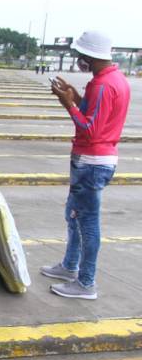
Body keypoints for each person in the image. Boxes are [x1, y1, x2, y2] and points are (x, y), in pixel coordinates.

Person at [41, 31, 130, 300]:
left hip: (92, 160)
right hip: (94, 159)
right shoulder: (111, 80)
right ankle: (70, 267)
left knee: (87, 223)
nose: (79, 59)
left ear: (91, 56)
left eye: (81, 55)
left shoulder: (103, 85)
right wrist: (77, 98)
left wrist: (68, 105)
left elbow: (89, 128)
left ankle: (86, 282)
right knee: (74, 215)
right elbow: (95, 113)